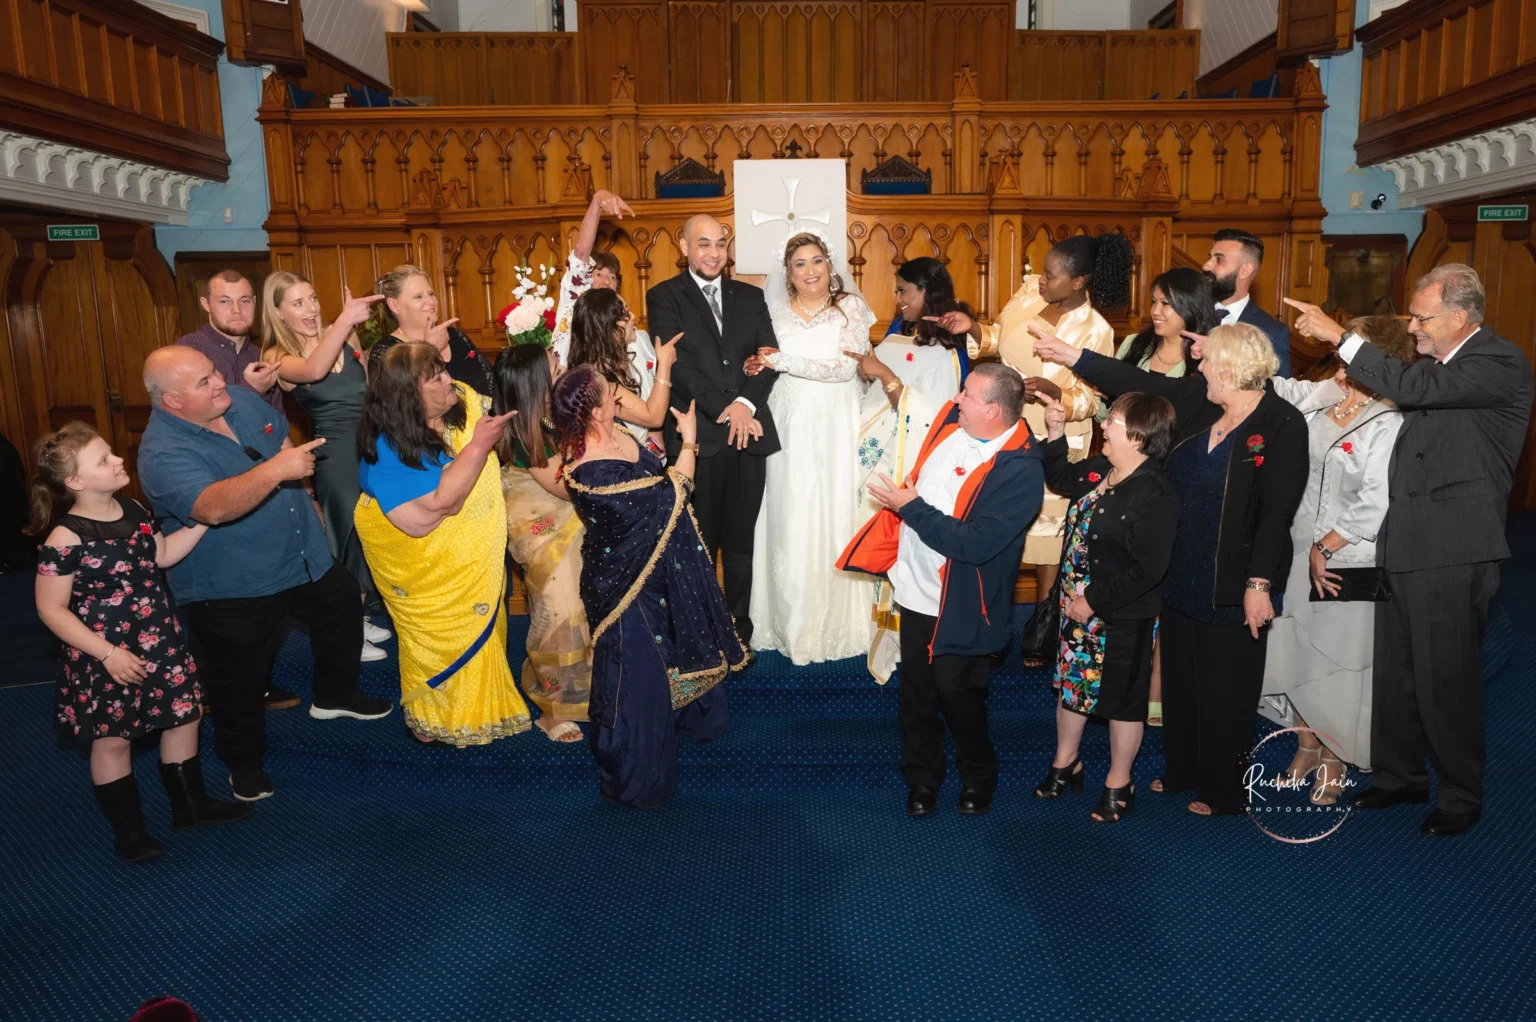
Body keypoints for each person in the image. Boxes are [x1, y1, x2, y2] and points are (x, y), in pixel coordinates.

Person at [1285, 264, 1536, 836]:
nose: (1413, 327)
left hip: (1453, 548)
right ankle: (1399, 779)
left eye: (1421, 317)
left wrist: (1339, 335)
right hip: (1401, 543)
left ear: (1460, 316)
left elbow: (1416, 390)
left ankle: (1459, 793)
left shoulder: (1498, 361)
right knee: (1395, 674)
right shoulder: (1434, 364)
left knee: (1444, 677)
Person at [1034, 322, 1308, 816]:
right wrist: (1073, 356)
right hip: (1179, 573)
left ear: (1229, 368)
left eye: (1206, 363)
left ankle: (1224, 791)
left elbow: (1276, 514)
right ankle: (1183, 771)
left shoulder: (1281, 423)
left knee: (1227, 687)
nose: (1197, 368)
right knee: (1182, 682)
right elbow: (1147, 391)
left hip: (1234, 578)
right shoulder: (1206, 408)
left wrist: (1260, 583)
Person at [137, 347, 392, 804]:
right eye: (203, 382)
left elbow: (280, 442)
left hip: (301, 554)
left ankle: (335, 694)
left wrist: (306, 495)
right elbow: (212, 507)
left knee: (340, 606)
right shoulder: (162, 451)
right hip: (235, 583)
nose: (219, 383)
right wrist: (278, 471)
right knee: (240, 680)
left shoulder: (237, 398)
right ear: (172, 401)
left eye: (213, 372)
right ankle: (244, 765)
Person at [30, 424, 251, 862]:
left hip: (159, 637)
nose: (117, 461)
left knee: (184, 715)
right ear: (74, 481)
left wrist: (205, 520)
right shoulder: (65, 537)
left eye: (111, 452)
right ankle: (129, 832)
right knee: (113, 738)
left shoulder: (133, 509)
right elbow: (51, 609)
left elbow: (162, 555)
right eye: (103, 460)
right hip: (104, 652)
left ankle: (190, 807)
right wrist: (107, 653)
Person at [840, 364, 1044, 817]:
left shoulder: (1021, 470)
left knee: (960, 696)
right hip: (915, 591)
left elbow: (973, 545)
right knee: (917, 696)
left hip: (963, 603)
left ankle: (978, 777)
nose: (956, 400)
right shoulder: (951, 425)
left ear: (993, 409)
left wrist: (909, 506)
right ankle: (922, 780)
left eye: (966, 395)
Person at [928, 232, 1135, 668]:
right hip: (1002, 427)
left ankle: (1042, 627)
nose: (1041, 280)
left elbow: (1095, 399)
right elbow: (1000, 337)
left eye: (1052, 275)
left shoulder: (1096, 330)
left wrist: (1053, 389)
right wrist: (975, 330)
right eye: (1042, 271)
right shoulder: (1026, 295)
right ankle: (985, 614)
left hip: (1055, 437)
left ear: (1078, 282)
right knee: (994, 523)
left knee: (1047, 540)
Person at [552, 365, 742, 808]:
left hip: (656, 564)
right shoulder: (591, 469)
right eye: (608, 392)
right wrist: (689, 439)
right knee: (638, 674)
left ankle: (687, 721)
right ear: (595, 411)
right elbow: (672, 492)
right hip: (621, 584)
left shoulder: (612, 428)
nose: (616, 394)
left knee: (670, 650)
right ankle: (636, 779)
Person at [1259, 315, 1410, 805]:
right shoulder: (1327, 399)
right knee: (1298, 651)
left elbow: (1377, 499)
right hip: (1299, 548)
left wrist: (1329, 545)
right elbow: (1278, 395)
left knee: (1341, 662)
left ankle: (1336, 756)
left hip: (1352, 556)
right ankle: (1306, 746)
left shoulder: (1389, 418)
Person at [354, 342, 528, 747]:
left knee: (482, 619)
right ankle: (432, 715)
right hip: (420, 566)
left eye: (444, 371)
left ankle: (478, 710)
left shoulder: (461, 403)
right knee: (431, 639)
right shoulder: (387, 449)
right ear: (409, 395)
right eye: (436, 378)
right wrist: (479, 446)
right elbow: (432, 513)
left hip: (470, 562)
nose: (451, 380)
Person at [1033, 392, 1180, 823]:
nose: (1104, 425)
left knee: (1122, 699)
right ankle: (1066, 763)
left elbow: (1150, 568)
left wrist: (1091, 601)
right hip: (1074, 608)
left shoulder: (1154, 492)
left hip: (1119, 614)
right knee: (1072, 686)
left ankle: (1120, 781)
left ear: (1138, 436)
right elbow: (1060, 477)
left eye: (1112, 420)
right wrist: (1056, 432)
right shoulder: (1103, 470)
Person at [739, 229, 877, 664]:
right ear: (788, 273)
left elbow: (844, 368)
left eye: (817, 260)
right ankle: (788, 620)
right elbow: (759, 361)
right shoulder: (773, 312)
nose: (810, 271)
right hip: (789, 421)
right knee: (791, 511)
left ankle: (840, 621)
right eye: (800, 264)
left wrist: (780, 360)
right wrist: (756, 363)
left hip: (837, 421)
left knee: (835, 509)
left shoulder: (850, 308)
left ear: (830, 265)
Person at [645, 214, 780, 655]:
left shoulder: (750, 296)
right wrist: (726, 409)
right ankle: (701, 630)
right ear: (684, 247)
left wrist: (744, 405)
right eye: (703, 244)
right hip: (695, 438)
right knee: (697, 541)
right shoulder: (664, 296)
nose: (713, 252)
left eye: (721, 243)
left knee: (741, 542)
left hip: (750, 433)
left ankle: (739, 627)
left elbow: (768, 357)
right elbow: (678, 368)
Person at [1099, 265, 1218, 727]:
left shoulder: (1206, 356)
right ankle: (1120, 680)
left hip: (1178, 481)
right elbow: (1111, 406)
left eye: (1166, 303)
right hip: (1127, 476)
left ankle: (1157, 691)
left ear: (1191, 308)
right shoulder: (1135, 347)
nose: (1154, 311)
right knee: (1125, 581)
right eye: (1152, 301)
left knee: (1163, 587)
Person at [845, 256, 972, 681]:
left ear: (927, 292)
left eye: (904, 291)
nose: (897, 300)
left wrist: (882, 374)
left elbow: (933, 420)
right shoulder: (900, 333)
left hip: (911, 461)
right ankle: (868, 628)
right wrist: (868, 373)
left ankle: (904, 638)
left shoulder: (949, 349)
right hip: (877, 453)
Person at [260, 273, 392, 663]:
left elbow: (371, 391)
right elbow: (315, 371)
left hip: (371, 446)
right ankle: (344, 626)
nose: (311, 308)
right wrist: (345, 322)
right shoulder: (275, 356)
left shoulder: (344, 336)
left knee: (371, 535)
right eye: (298, 303)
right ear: (279, 313)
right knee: (346, 535)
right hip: (334, 455)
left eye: (313, 298)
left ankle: (358, 613)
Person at [493, 343, 591, 743]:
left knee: (587, 609)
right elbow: (568, 489)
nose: (562, 367)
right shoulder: (522, 433)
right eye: (554, 366)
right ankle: (553, 710)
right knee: (560, 612)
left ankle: (589, 695)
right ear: (536, 382)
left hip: (575, 527)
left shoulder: (551, 417)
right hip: (542, 529)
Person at [568, 287, 677, 452]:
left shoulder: (626, 353)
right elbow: (653, 417)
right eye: (625, 315)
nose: (633, 317)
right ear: (607, 328)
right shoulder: (598, 381)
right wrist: (665, 364)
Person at [366, 264, 494, 397]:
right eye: (418, 297)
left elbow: (491, 382)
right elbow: (397, 403)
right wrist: (430, 349)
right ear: (394, 305)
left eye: (431, 294)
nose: (431, 302)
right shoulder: (386, 350)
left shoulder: (454, 335)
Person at [175, 269, 282, 412]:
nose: (237, 310)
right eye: (225, 301)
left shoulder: (262, 356)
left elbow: (276, 422)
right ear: (206, 304)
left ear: (255, 302)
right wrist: (252, 388)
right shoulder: (186, 351)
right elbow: (194, 418)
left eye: (244, 301)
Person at [551, 188, 637, 365]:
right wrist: (597, 202)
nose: (606, 281)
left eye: (612, 277)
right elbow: (581, 252)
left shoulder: (623, 325)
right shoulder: (574, 302)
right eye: (598, 274)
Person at [1203, 228, 1292, 376]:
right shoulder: (1190, 315)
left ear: (1245, 270)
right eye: (1209, 257)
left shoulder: (1271, 333)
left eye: (1218, 259)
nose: (1206, 266)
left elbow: (1278, 394)